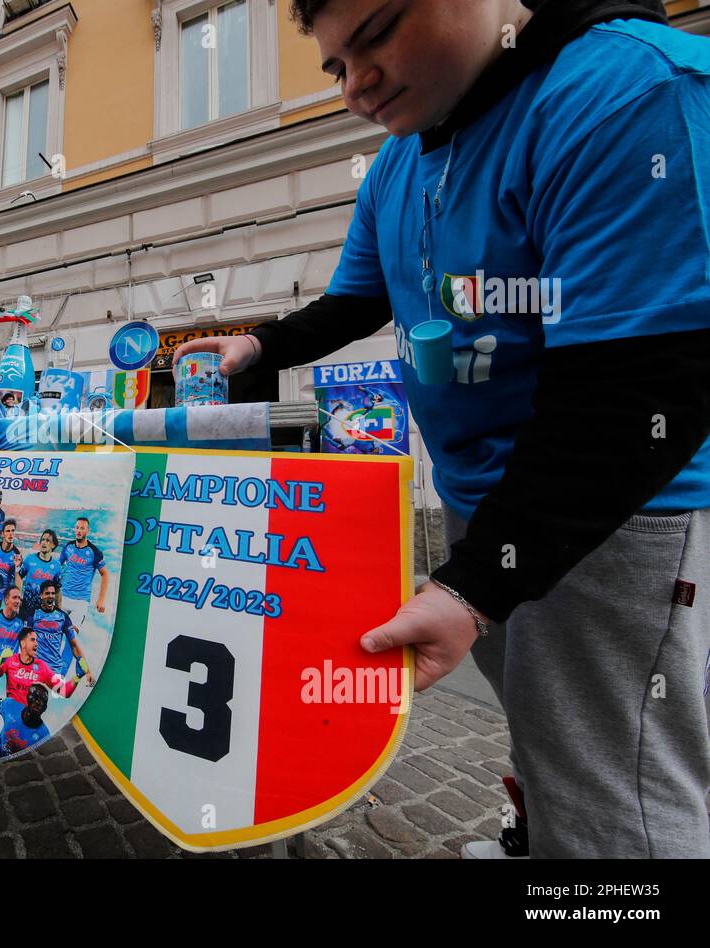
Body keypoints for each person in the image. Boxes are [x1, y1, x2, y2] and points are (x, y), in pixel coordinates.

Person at [174, 0, 710, 859]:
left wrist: (471, 590)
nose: (357, 86)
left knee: (620, 791)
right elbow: (358, 298)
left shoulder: (624, 92)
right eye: (335, 66)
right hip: (476, 501)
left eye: (379, 32)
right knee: (546, 733)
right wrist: (262, 342)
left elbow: (639, 395)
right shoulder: (396, 162)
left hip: (613, 518)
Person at [0, 627, 85, 704]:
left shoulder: (42, 667)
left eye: (36, 640)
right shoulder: (10, 661)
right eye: (32, 640)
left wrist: (77, 677)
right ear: (22, 643)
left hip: (29, 719)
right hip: (10, 715)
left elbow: (64, 691)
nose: (36, 644)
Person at [31, 580, 92, 681]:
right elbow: (23, 641)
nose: (51, 596)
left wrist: (88, 671)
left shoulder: (63, 617)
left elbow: (74, 645)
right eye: (47, 593)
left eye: (52, 593)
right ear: (41, 595)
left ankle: (63, 675)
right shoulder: (33, 614)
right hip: (34, 668)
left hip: (53, 671)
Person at [57, 517, 109, 628]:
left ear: (87, 530)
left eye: (82, 528)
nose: (79, 530)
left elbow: (105, 574)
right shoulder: (68, 547)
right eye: (77, 528)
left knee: (72, 636)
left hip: (81, 601)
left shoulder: (94, 552)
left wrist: (101, 600)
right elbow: (57, 567)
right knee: (56, 633)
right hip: (63, 597)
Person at [0, 685, 52, 762]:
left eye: (43, 700)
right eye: (34, 696)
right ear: (27, 698)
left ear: (45, 708)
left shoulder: (44, 736)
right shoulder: (10, 705)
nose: (37, 702)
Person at [18, 528, 63, 621]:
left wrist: (59, 612)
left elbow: (58, 590)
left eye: (48, 540)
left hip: (44, 611)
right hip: (26, 608)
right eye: (42, 539)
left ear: (53, 545)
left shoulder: (57, 566)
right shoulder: (30, 559)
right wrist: (19, 595)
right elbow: (19, 575)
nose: (44, 542)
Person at [0, 586, 26, 667]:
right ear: (6, 600)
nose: (18, 601)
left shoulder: (21, 623)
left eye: (19, 599)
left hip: (9, 668)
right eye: (14, 598)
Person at [0, 518, 23, 594]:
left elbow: (18, 578)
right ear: (3, 534)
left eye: (13, 531)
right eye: (8, 531)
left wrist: (19, 595)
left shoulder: (17, 555)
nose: (11, 534)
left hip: (4, 592)